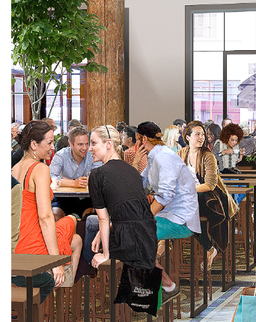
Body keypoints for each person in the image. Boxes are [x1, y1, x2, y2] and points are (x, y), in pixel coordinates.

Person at [84, 125, 158, 296]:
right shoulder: (132, 171)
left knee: (88, 230)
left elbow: (104, 219)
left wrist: (105, 254)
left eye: (93, 143)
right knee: (95, 230)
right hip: (148, 237)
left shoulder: (97, 174)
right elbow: (129, 212)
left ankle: (89, 278)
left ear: (109, 144)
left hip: (127, 242)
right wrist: (101, 233)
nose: (90, 148)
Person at [136, 121, 195, 290]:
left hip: (181, 218)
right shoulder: (155, 156)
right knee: (134, 232)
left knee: (136, 233)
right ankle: (154, 282)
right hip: (168, 214)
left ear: (143, 139)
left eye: (137, 140)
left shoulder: (163, 157)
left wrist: (145, 217)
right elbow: (140, 183)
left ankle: (165, 284)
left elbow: (165, 195)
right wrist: (136, 162)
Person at [183, 119, 229, 268]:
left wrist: (187, 191)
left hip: (210, 198)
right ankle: (164, 241)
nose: (201, 137)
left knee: (185, 211)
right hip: (190, 197)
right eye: (197, 134)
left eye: (203, 134)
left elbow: (210, 185)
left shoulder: (208, 156)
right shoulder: (181, 153)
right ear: (188, 137)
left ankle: (209, 247)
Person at [12, 120, 60, 253]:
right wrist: (55, 259)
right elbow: (45, 217)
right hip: (32, 240)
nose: (53, 147)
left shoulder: (14, 169)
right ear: (34, 144)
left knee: (75, 239)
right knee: (71, 222)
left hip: (15, 240)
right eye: (49, 143)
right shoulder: (40, 169)